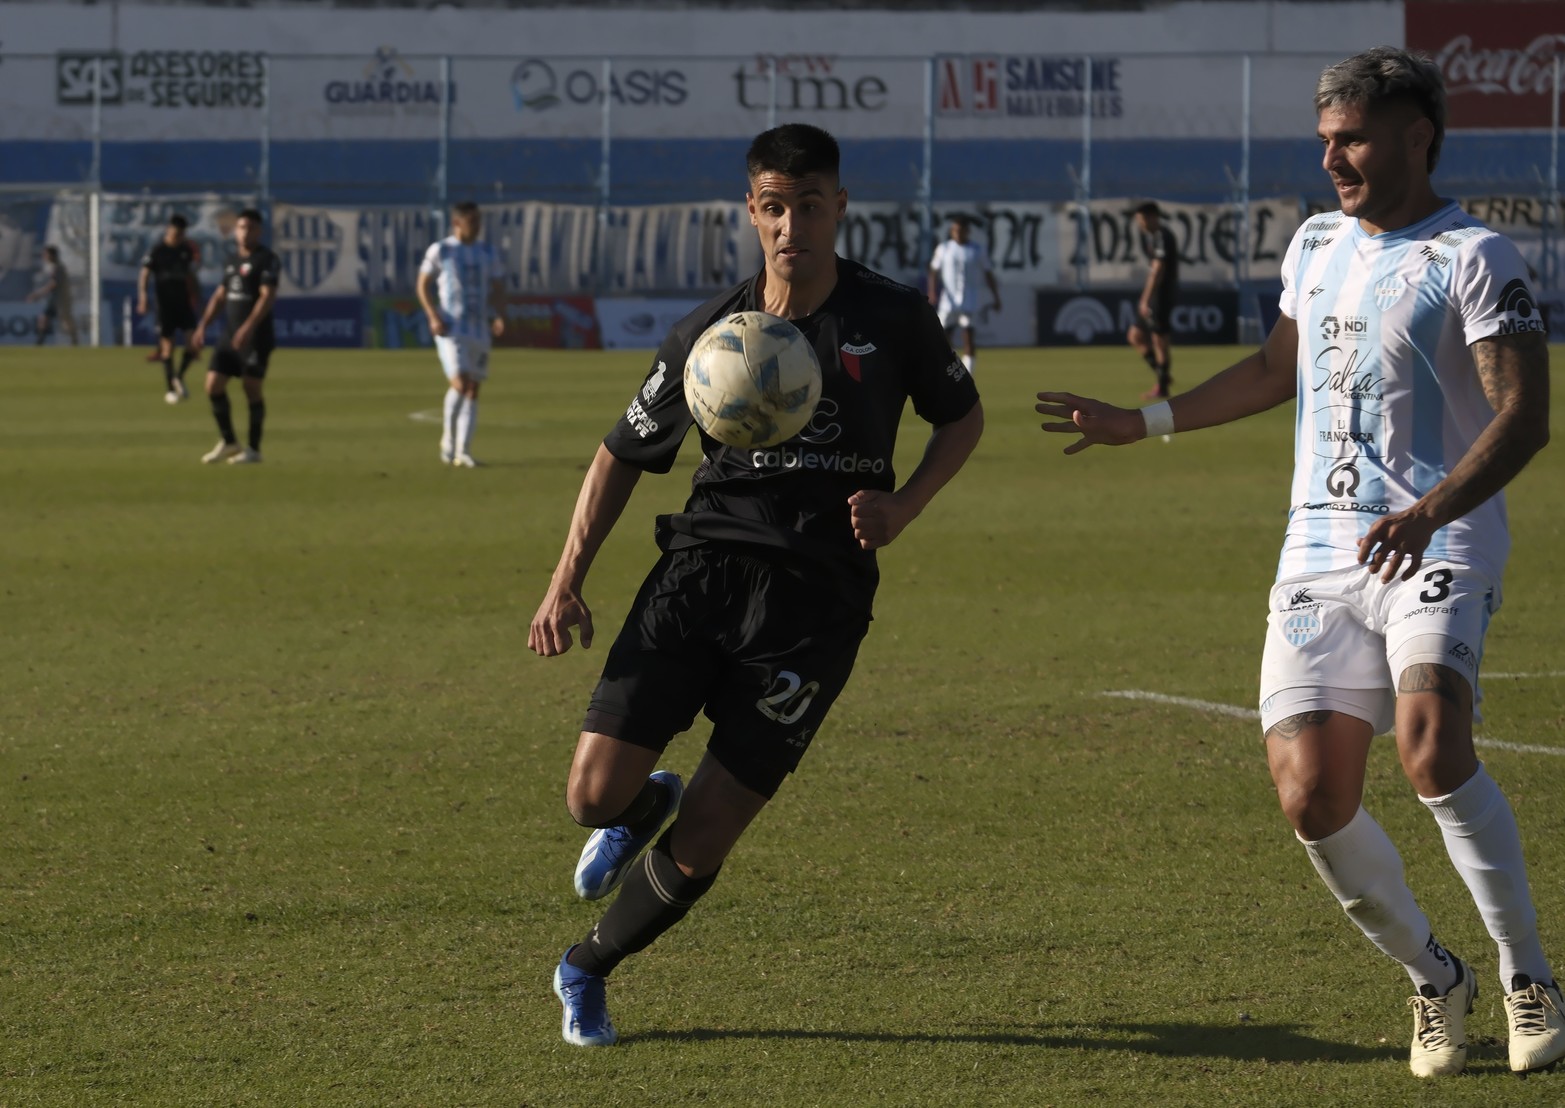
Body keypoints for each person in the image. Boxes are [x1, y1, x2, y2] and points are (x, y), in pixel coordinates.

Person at [1037, 46, 1563, 1078]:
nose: (1332, 159)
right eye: (1324, 140)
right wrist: (1138, 422)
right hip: (1318, 548)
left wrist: (1429, 508)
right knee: (1308, 795)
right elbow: (1277, 368)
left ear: (1416, 135)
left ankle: (1527, 975)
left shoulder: (1474, 255)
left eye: (1352, 137)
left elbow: (1525, 417)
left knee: (1426, 744)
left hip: (1436, 532)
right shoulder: (1315, 242)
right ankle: (1431, 976)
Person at [529, 123, 984, 1048]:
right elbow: (619, 454)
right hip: (700, 572)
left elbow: (963, 419)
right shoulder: (710, 333)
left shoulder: (892, 319)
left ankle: (585, 968)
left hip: (817, 604)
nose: (791, 226)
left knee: (711, 831)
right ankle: (636, 802)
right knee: (588, 797)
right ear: (752, 211)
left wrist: (903, 508)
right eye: (773, 207)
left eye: (809, 205)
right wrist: (564, 579)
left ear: (838, 208)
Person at [415, 201, 506, 467]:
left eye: (479, 221)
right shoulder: (441, 250)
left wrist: (499, 314)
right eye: (472, 221)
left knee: (473, 388)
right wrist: (433, 316)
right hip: (451, 328)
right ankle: (448, 440)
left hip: (479, 328)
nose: (477, 227)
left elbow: (499, 285)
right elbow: (422, 285)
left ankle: (462, 451)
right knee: (461, 382)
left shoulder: (488, 251)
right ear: (457, 223)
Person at [192, 209, 279, 465]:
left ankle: (253, 449)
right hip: (229, 334)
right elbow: (220, 295)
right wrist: (202, 326)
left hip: (256, 337)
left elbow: (267, 296)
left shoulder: (267, 259)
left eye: (250, 228)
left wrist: (249, 327)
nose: (245, 232)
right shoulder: (232, 260)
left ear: (259, 231)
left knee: (251, 388)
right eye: (241, 228)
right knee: (213, 386)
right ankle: (229, 441)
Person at [138, 214, 203, 403]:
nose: (179, 237)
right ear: (169, 230)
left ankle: (179, 377)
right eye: (176, 233)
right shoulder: (157, 250)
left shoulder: (185, 250)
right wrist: (143, 297)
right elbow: (145, 274)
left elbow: (191, 276)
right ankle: (170, 389)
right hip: (165, 305)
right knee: (168, 348)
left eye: (182, 233)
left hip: (183, 303)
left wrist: (197, 298)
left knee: (193, 344)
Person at [927, 214, 1000, 375]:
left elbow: (988, 273)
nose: (957, 233)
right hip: (948, 302)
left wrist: (996, 297)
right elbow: (933, 271)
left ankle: (968, 376)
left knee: (968, 337)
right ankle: (947, 371)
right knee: (942, 338)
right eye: (954, 230)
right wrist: (932, 291)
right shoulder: (944, 248)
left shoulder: (976, 250)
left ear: (967, 231)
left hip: (969, 301)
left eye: (960, 230)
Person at [1126, 201, 1178, 399]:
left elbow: (1158, 269)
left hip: (1161, 296)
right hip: (1155, 296)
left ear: (1152, 217)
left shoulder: (1163, 236)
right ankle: (1162, 374)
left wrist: (1145, 299)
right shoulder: (1155, 237)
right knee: (1135, 336)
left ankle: (1162, 387)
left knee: (1159, 340)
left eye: (1142, 219)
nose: (1140, 224)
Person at [25, 246, 79, 346]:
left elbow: (53, 284)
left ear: (52, 255)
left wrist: (37, 294)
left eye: (46, 254)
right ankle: (39, 342)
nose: (44, 256)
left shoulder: (58, 268)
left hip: (61, 300)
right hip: (53, 300)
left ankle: (75, 341)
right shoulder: (54, 267)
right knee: (44, 318)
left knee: (66, 321)